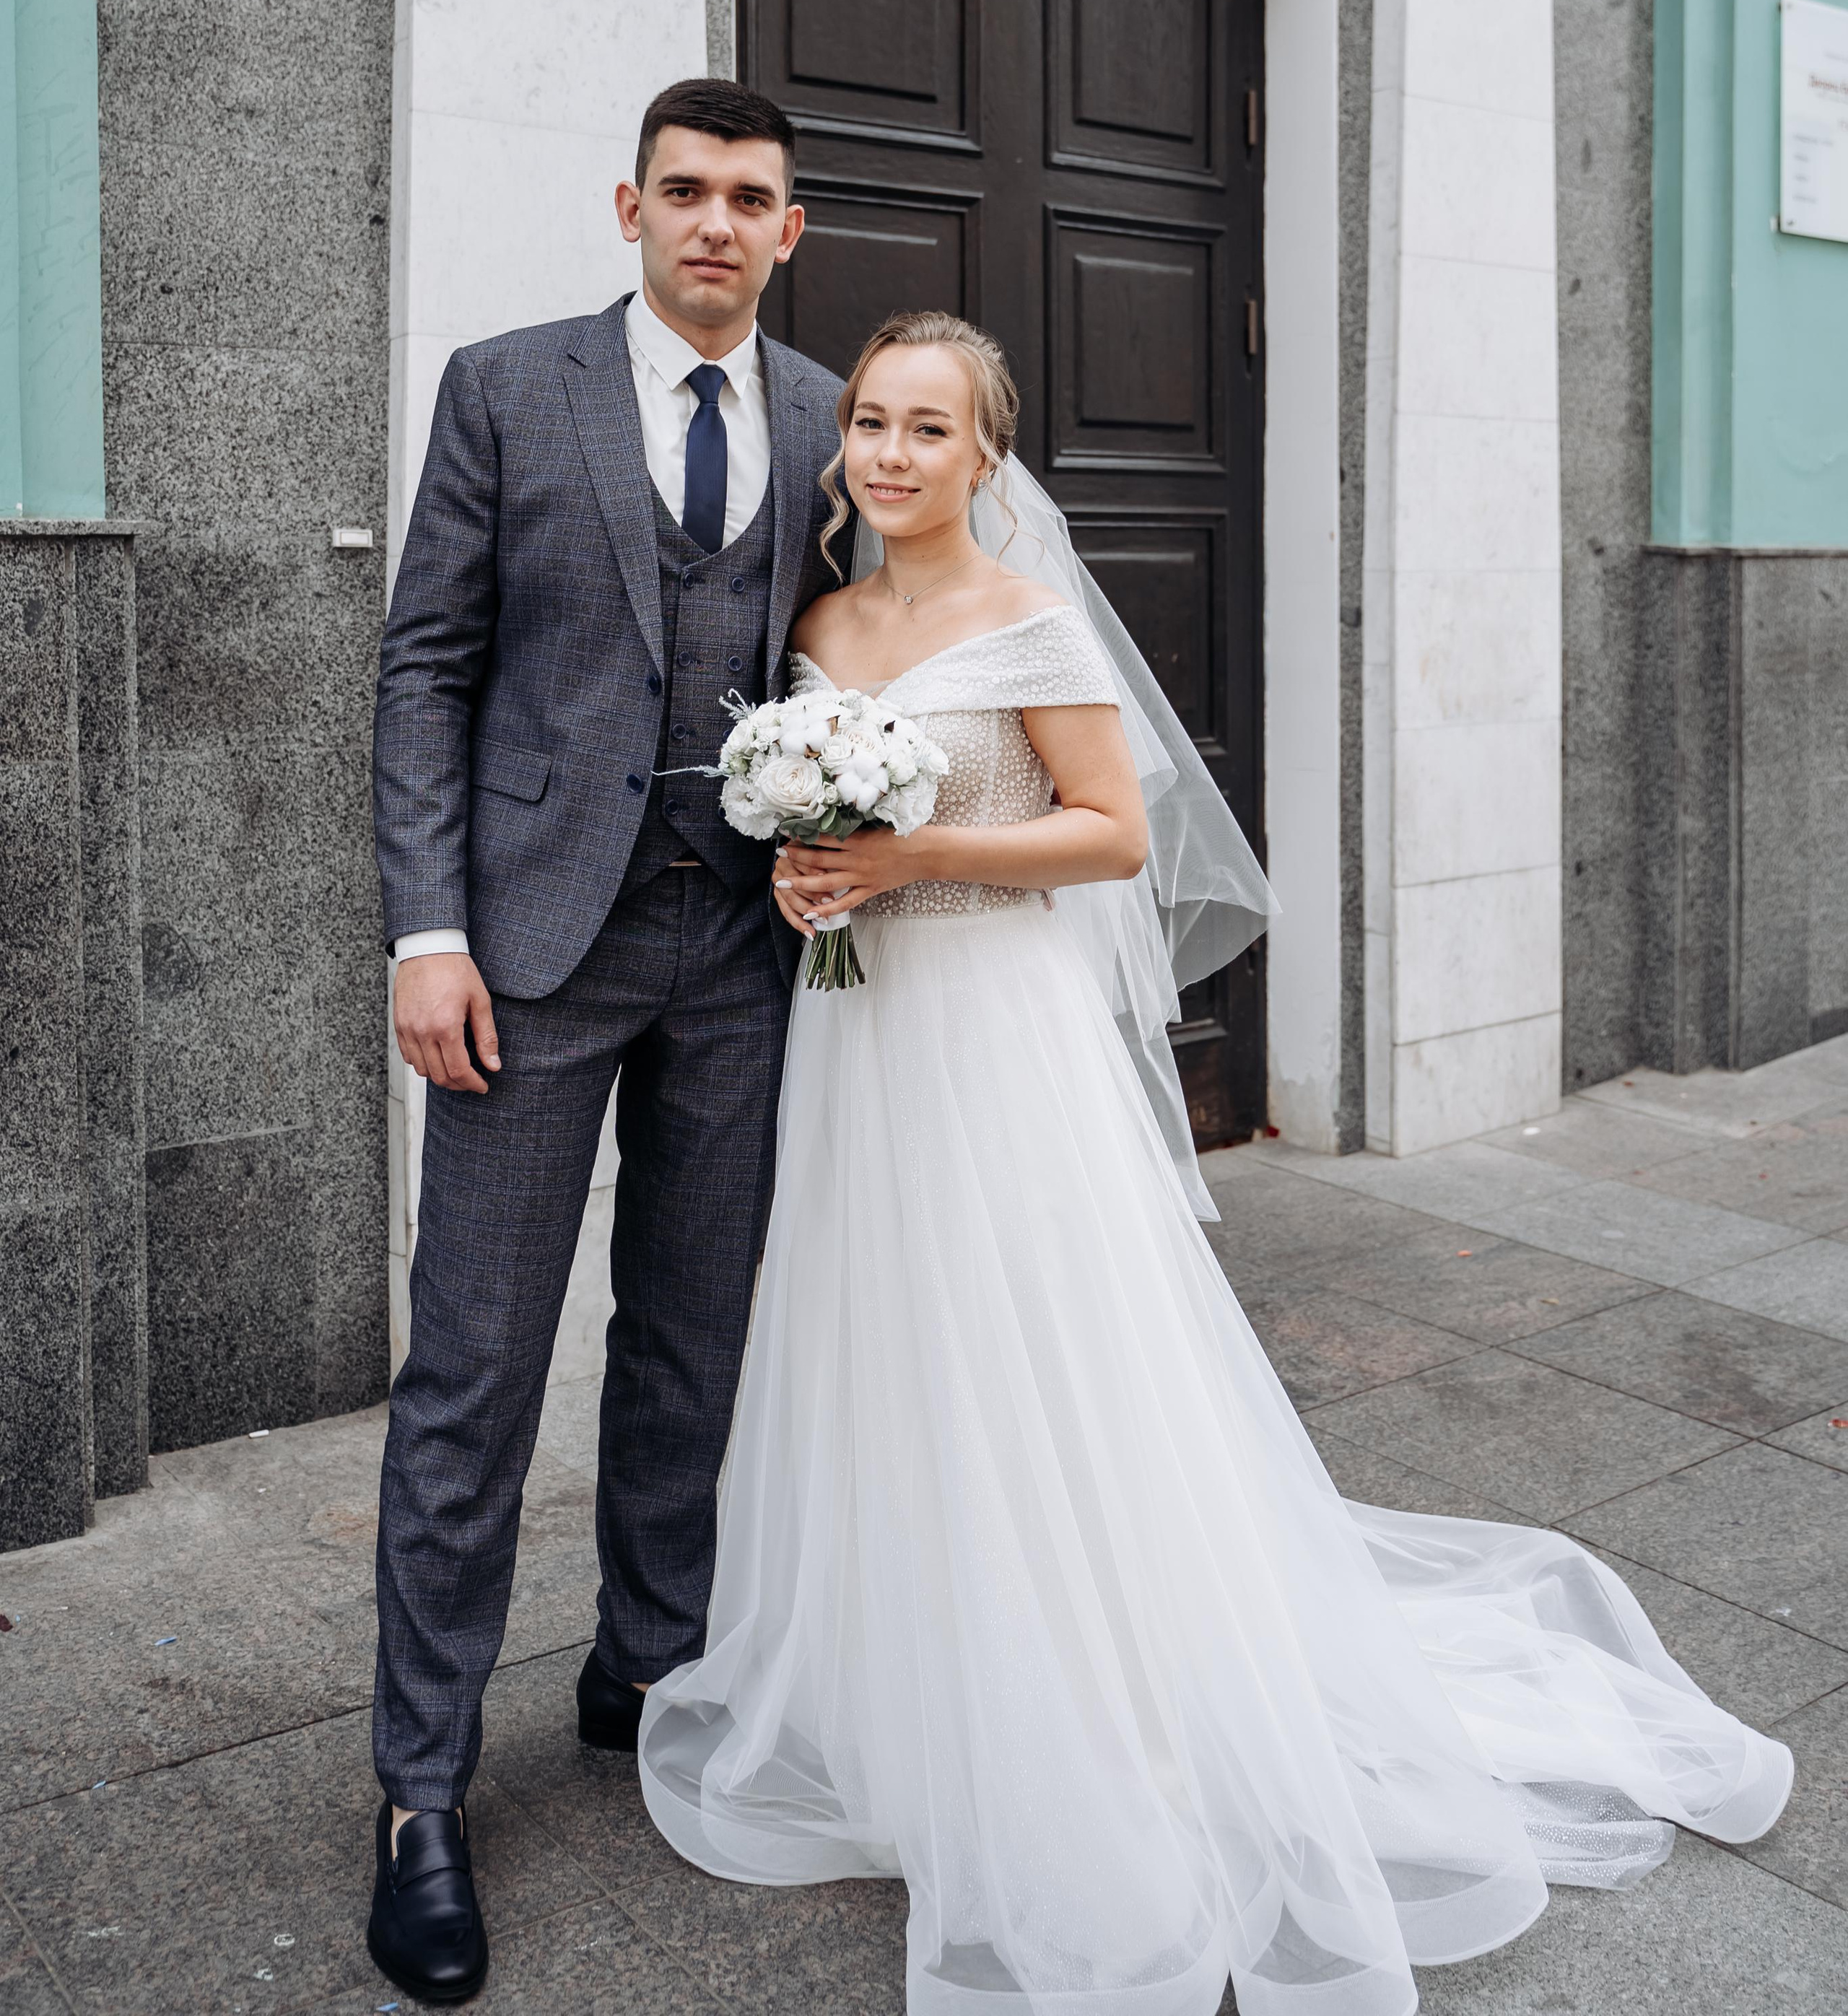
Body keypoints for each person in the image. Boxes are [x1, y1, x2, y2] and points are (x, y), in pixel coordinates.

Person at [636, 310, 1794, 2016]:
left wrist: (913, 853)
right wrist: (813, 878)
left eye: (926, 430)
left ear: (984, 456)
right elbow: (816, 839)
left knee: (1040, 1354)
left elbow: (1111, 834)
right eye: (868, 423)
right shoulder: (814, 624)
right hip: (862, 1039)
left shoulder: (1026, 624)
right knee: (886, 1350)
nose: (886, 454)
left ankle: (1098, 1696)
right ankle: (914, 1687)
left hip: (993, 1038)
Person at [366, 78, 842, 2005]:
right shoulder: (505, 385)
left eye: (750, 200)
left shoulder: (829, 416)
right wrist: (427, 926)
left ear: (787, 228)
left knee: (689, 1340)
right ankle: (418, 1792)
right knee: (474, 1371)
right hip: (531, 954)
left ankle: (645, 1666)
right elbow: (428, 664)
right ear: (627, 206)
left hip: (739, 944)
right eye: (686, 194)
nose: (715, 225)